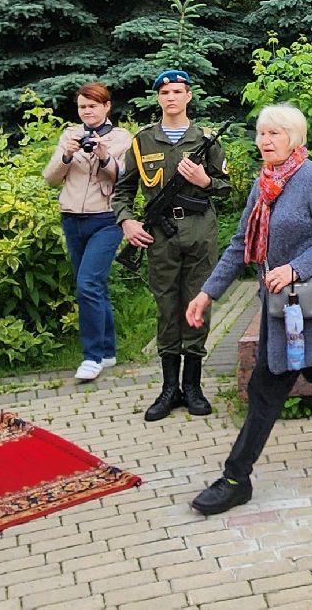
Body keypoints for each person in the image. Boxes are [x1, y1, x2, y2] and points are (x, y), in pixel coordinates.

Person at [184, 105, 312, 515]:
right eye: (261, 133)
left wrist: (295, 268)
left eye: (274, 133)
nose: (265, 140)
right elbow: (241, 243)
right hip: (278, 305)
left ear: (294, 138)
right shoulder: (264, 184)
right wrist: (207, 293)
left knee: (266, 387)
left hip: (305, 304)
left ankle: (235, 478)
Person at [114, 69, 232, 422]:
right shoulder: (143, 141)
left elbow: (226, 187)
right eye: (165, 93)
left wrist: (205, 181)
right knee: (166, 306)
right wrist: (127, 221)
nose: (171, 97)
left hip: (199, 230)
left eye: (178, 92)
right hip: (159, 236)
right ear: (158, 98)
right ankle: (169, 389)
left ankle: (192, 386)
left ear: (188, 96)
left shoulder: (205, 139)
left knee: (197, 303)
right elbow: (123, 190)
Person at [42, 82, 132, 383]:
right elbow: (50, 178)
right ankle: (107, 351)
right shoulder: (70, 135)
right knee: (95, 286)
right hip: (72, 218)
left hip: (106, 218)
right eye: (82, 107)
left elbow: (123, 177)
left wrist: (104, 155)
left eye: (93, 106)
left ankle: (91, 357)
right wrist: (66, 155)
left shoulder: (121, 137)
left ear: (107, 107)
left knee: (87, 283)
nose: (87, 111)